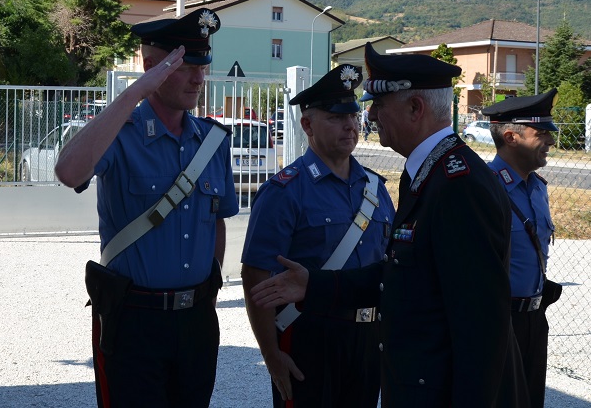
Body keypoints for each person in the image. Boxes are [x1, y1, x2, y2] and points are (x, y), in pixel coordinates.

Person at [248, 42, 529, 407]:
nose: (370, 118)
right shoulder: (430, 176)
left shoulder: (457, 185)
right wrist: (312, 284)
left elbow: (481, 325)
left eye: (379, 105)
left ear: (415, 108)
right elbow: (402, 273)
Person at [55, 8, 239, 407]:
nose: (199, 77)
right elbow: (69, 172)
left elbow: (217, 223)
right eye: (187, 65)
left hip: (196, 320)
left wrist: (209, 290)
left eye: (202, 65)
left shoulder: (212, 141)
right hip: (134, 319)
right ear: (151, 66)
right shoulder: (120, 135)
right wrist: (134, 93)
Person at [241, 64, 394, 408]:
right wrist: (271, 356)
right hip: (310, 338)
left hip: (369, 339)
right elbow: (256, 277)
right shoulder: (285, 191)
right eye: (335, 117)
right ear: (307, 125)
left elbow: (391, 263)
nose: (350, 125)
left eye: (353, 116)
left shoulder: (376, 189)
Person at [484, 89, 562, 408]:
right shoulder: (484, 188)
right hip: (499, 323)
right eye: (541, 133)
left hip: (534, 321)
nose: (551, 141)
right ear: (512, 137)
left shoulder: (537, 188)